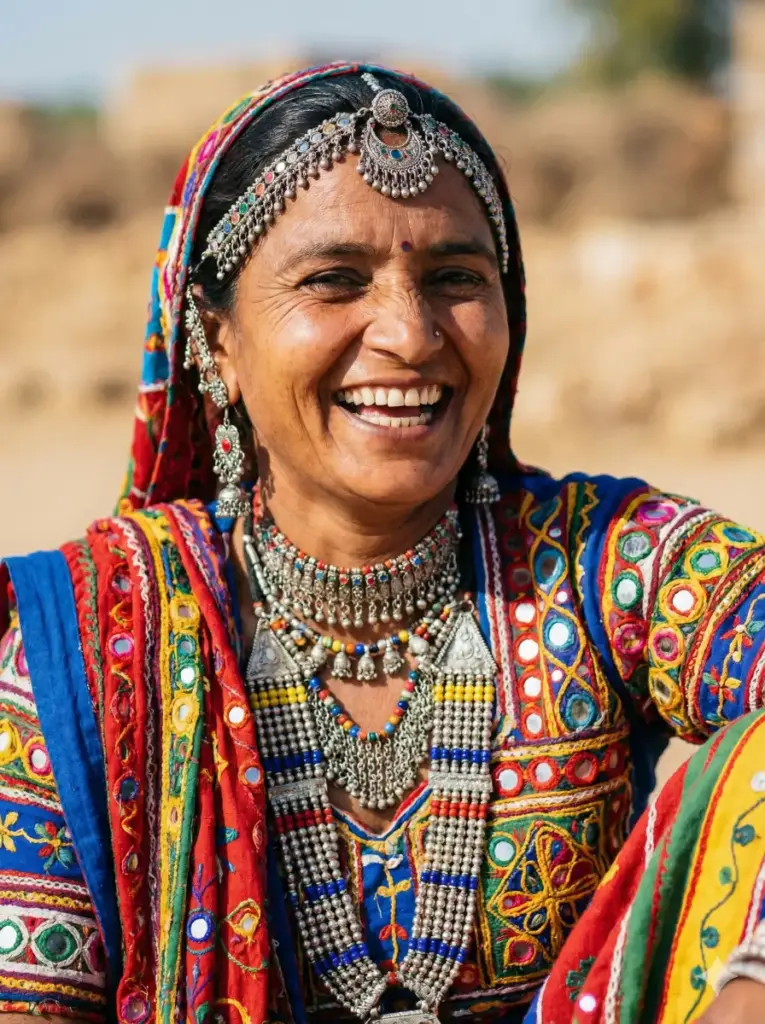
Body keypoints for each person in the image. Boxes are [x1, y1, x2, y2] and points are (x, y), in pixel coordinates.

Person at [0, 61, 764, 1024]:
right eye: (334, 281)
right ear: (215, 340)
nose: (409, 333)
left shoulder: (603, 563)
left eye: (454, 279)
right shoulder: (91, 645)